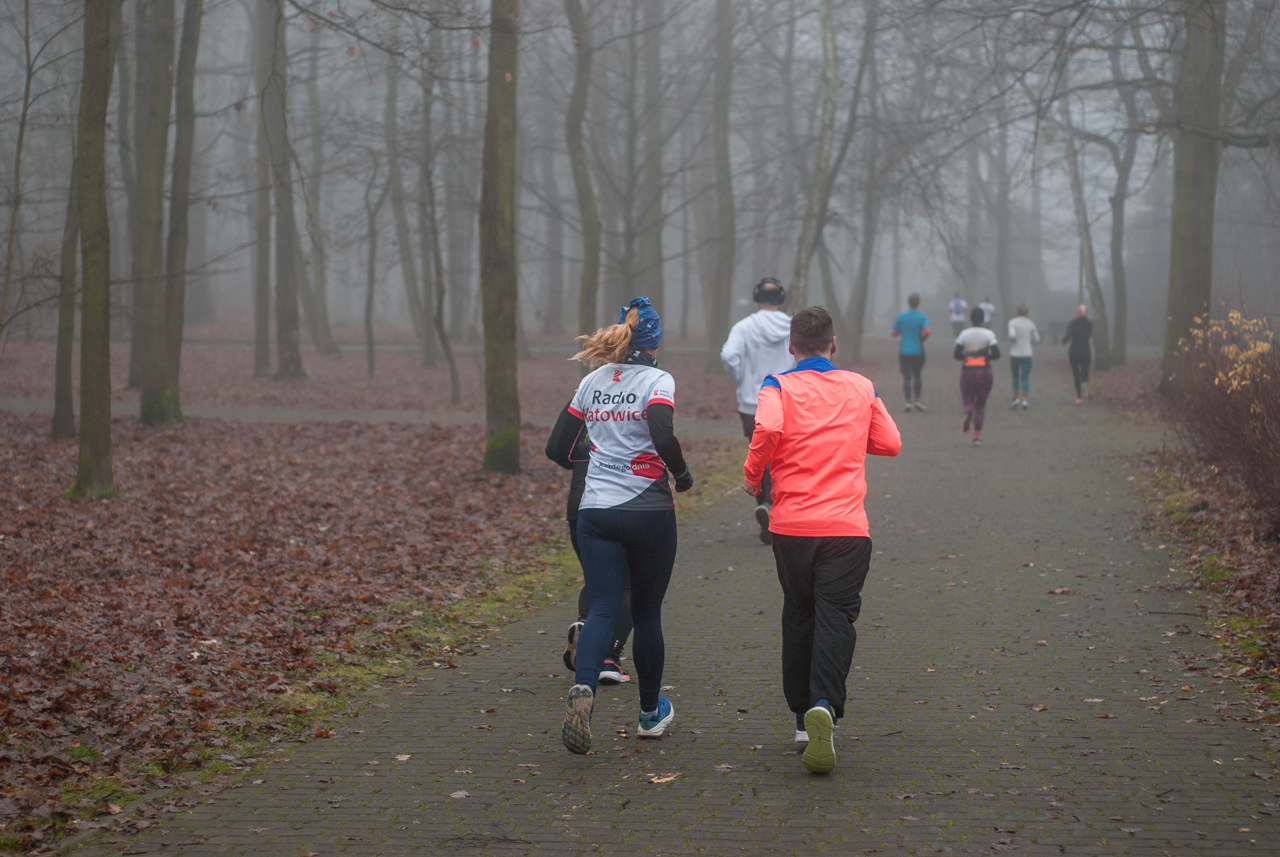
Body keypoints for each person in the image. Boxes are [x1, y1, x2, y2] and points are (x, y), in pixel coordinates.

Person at [742, 307, 902, 774]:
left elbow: (768, 428)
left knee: (799, 614)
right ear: (834, 345)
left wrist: (755, 477)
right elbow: (890, 442)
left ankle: (799, 717)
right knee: (837, 619)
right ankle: (825, 705)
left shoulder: (777, 385)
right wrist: (850, 435)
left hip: (792, 529)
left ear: (791, 347)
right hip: (847, 530)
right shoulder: (860, 386)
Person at [545, 297, 694, 755]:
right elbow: (661, 430)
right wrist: (683, 476)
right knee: (647, 612)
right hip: (648, 511)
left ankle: (584, 689)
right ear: (655, 343)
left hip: (595, 513)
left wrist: (596, 459)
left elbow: (557, 447)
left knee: (603, 607)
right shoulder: (657, 379)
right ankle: (650, 714)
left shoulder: (591, 381)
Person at [546, 407, 633, 685]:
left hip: (581, 506)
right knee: (629, 583)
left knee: (598, 579)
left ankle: (586, 624)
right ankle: (608, 657)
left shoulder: (587, 392)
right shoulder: (646, 390)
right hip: (628, 502)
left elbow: (557, 449)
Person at [720, 278, 794, 545]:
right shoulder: (792, 327)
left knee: (760, 456)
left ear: (756, 297)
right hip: (786, 402)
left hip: (752, 404)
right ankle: (774, 507)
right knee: (782, 457)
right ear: (782, 298)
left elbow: (729, 356)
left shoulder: (744, 327)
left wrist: (742, 379)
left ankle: (764, 504)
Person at [954, 306, 1001, 446]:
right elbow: (997, 354)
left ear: (971, 319)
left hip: (967, 371)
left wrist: (968, 355)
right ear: (983, 319)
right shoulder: (989, 334)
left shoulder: (964, 334)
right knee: (981, 404)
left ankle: (968, 411)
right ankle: (977, 436)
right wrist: (985, 355)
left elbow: (956, 354)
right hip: (985, 372)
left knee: (968, 399)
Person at [891, 293, 931, 413]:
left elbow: (894, 333)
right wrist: (922, 339)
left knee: (906, 376)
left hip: (904, 351)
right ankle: (917, 400)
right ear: (918, 303)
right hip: (918, 351)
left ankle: (908, 402)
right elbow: (927, 331)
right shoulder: (922, 317)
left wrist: (903, 332)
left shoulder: (901, 317)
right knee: (917, 375)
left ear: (908, 303)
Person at [1006, 303, 1040, 410]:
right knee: (1025, 377)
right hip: (1027, 353)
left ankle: (1016, 398)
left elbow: (1012, 335)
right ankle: (1025, 400)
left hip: (1015, 354)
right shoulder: (1030, 324)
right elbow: (1037, 339)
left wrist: (1012, 339)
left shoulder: (1012, 322)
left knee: (1015, 376)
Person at [1063, 304, 1093, 404]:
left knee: (1076, 374)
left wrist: (1064, 340)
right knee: (1085, 373)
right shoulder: (1090, 324)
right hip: (1085, 351)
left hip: (1074, 352)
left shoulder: (1073, 323)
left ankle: (1079, 397)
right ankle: (1087, 389)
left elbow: (1067, 337)